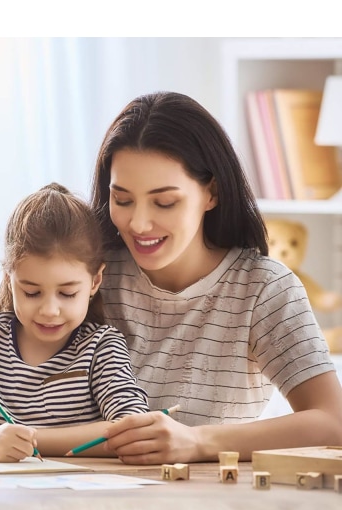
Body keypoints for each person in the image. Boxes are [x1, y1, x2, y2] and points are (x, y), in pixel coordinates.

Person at [90, 90, 342, 465]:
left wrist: (197, 442)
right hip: (80, 493)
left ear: (212, 193)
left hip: (208, 502)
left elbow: (333, 423)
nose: (138, 223)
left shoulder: (262, 289)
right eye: (122, 200)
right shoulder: (91, 274)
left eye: (164, 202)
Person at [0, 182, 149, 462]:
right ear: (9, 279)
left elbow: (133, 429)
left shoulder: (101, 346)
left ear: (95, 281)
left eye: (67, 293)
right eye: (31, 292)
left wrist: (31, 439)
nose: (49, 310)